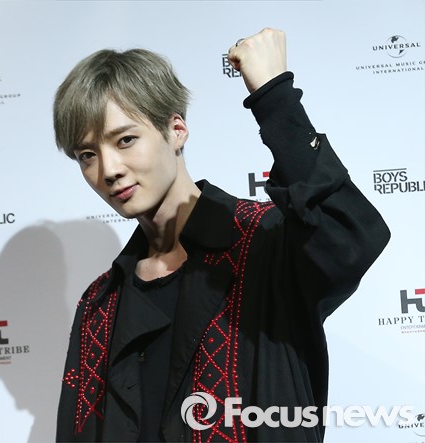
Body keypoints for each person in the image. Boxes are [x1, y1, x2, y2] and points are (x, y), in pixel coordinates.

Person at [52, 28, 390, 442]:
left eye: (125, 140)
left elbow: (351, 235)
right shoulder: (100, 305)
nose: (108, 170)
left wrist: (274, 98)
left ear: (176, 130)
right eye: (87, 155)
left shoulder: (266, 241)